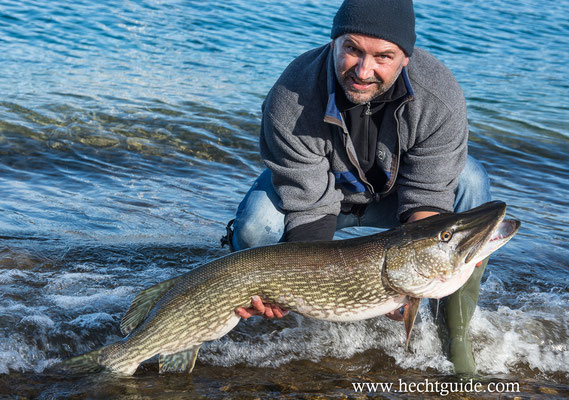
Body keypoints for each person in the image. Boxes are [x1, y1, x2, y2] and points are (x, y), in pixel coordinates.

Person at [222, 0, 491, 374]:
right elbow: (309, 206)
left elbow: (427, 202)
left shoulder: (439, 97)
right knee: (256, 226)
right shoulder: (291, 94)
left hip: (392, 199)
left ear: (406, 58)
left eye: (384, 56)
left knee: (471, 181)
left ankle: (454, 333)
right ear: (334, 42)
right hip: (316, 197)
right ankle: (247, 292)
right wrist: (304, 286)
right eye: (352, 49)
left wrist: (413, 279)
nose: (364, 70)